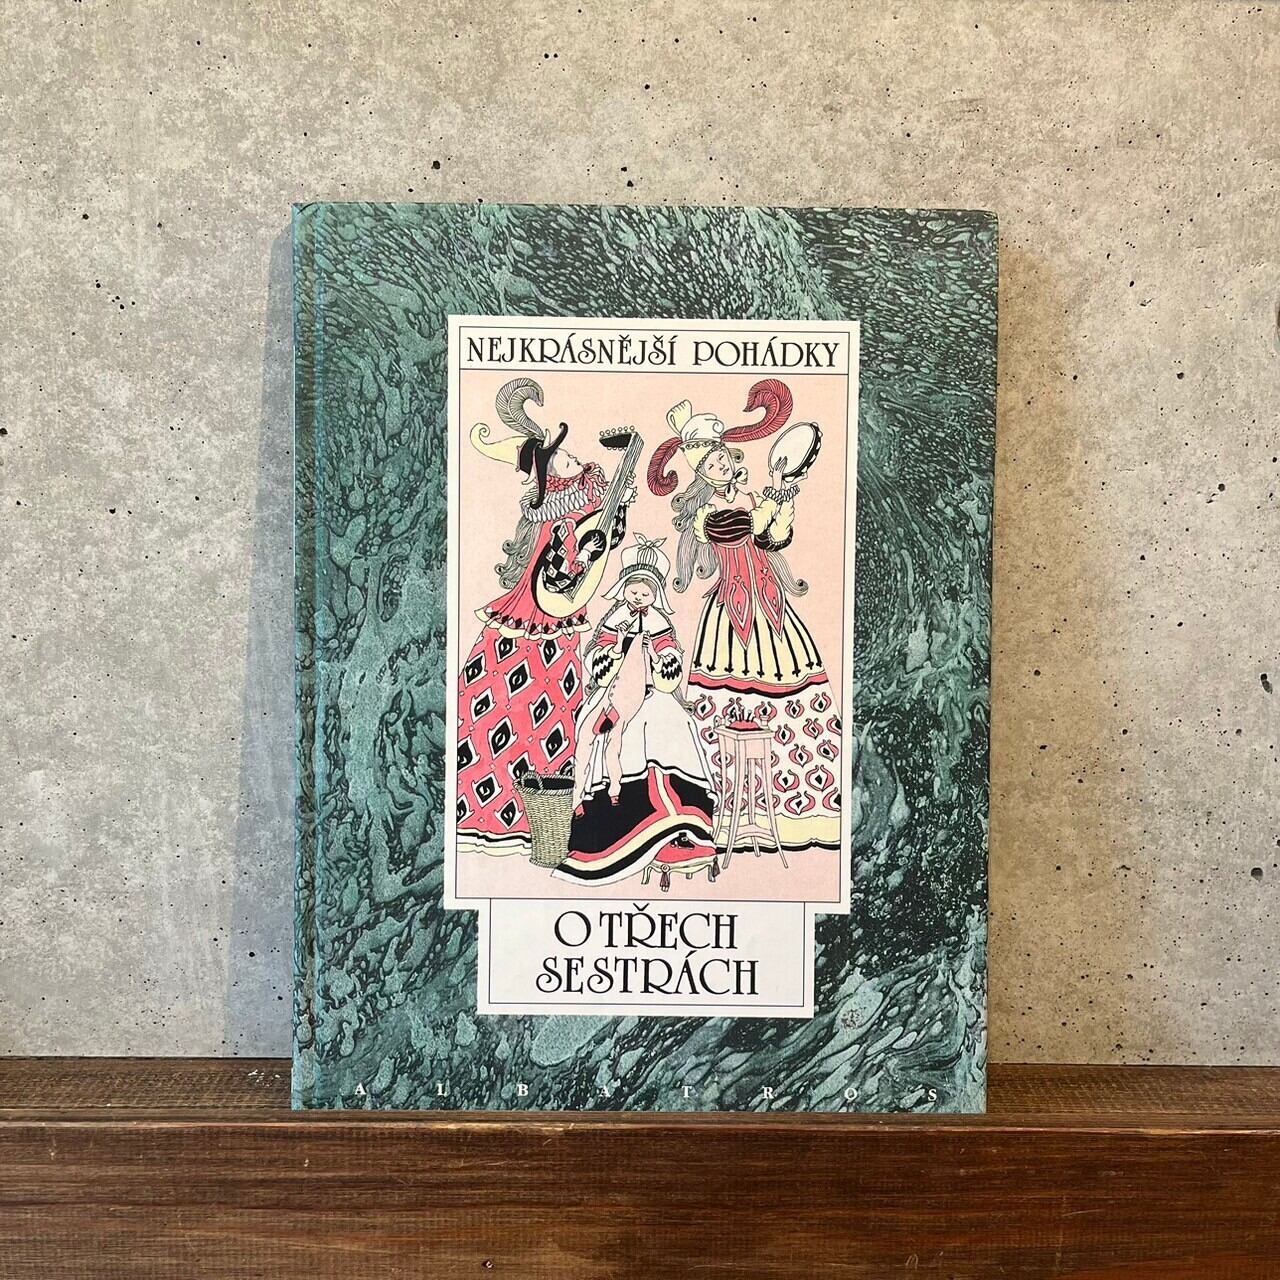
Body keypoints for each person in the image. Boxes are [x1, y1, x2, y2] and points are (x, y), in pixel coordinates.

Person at [646, 383, 841, 855]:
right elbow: (738, 530)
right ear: (703, 476)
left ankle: (797, 811)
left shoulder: (756, 497)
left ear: (731, 461)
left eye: (722, 459)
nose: (720, 466)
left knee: (793, 690)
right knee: (725, 707)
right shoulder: (708, 513)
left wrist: (783, 504)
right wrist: (771, 501)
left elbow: (772, 541)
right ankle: (717, 812)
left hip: (771, 604)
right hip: (731, 612)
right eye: (710, 465)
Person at [456, 378, 632, 856]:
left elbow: (604, 536)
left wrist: (603, 537)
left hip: (562, 622)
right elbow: (559, 571)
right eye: (561, 458)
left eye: (569, 453)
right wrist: (583, 555)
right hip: (536, 618)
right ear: (547, 472)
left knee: (559, 706)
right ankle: (499, 813)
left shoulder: (585, 496)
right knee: (511, 699)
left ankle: (547, 821)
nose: (572, 458)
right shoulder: (550, 515)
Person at [555, 536, 717, 888]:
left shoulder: (657, 621)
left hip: (652, 693)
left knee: (674, 725)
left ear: (656, 594)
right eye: (634, 590)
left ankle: (677, 824)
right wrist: (614, 653)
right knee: (604, 734)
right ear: (624, 588)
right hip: (615, 692)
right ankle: (615, 824)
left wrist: (663, 660)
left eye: (647, 592)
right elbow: (597, 656)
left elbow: (670, 655)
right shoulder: (615, 618)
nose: (640, 596)